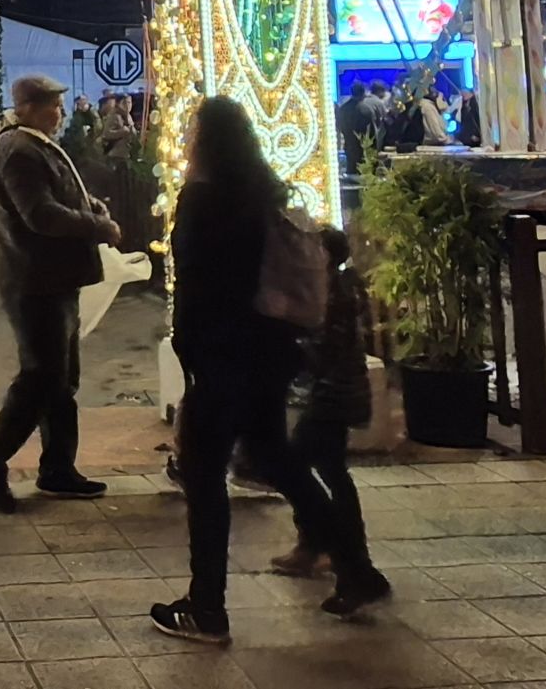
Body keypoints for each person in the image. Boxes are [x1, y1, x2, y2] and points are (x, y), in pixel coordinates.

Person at [151, 96, 386, 646]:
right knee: (277, 459)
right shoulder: (266, 193)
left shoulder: (202, 199)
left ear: (204, 140)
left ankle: (207, 606)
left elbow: (194, 283)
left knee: (204, 476)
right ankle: (356, 567)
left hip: (220, 353)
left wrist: (188, 352)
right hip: (271, 350)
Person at [0, 75, 120, 513]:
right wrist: (98, 226)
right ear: (27, 108)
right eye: (53, 105)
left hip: (54, 279)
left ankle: (58, 469)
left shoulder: (35, 145)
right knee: (42, 378)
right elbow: (40, 214)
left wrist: (89, 205)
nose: (60, 112)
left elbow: (58, 194)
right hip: (35, 282)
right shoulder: (20, 150)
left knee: (61, 380)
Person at [269, 227, 378, 584]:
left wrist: (294, 346)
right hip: (339, 391)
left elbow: (325, 348)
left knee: (296, 465)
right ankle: (338, 546)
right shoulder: (339, 289)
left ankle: (325, 545)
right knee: (331, 470)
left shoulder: (333, 295)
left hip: (334, 394)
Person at [335, 83, 374, 174]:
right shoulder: (366, 109)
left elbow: (339, 125)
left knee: (351, 170)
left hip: (349, 144)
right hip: (363, 147)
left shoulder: (343, 109)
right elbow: (371, 131)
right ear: (363, 93)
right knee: (363, 173)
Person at [98, 95, 137, 161]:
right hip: (116, 154)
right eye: (124, 103)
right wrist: (121, 132)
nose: (128, 105)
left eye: (129, 102)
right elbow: (106, 134)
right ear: (118, 104)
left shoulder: (128, 116)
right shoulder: (114, 116)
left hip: (127, 153)